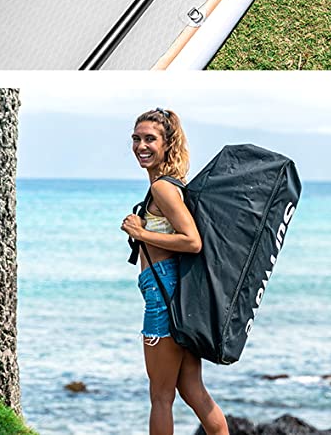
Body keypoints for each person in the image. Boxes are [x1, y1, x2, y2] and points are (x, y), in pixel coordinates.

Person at [121, 108, 229, 435]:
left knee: (161, 397)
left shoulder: (163, 189)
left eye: (150, 139)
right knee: (192, 391)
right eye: (136, 139)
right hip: (174, 295)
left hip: (163, 299)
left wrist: (140, 234)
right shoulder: (169, 185)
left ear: (167, 144)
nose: (141, 145)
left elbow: (191, 241)